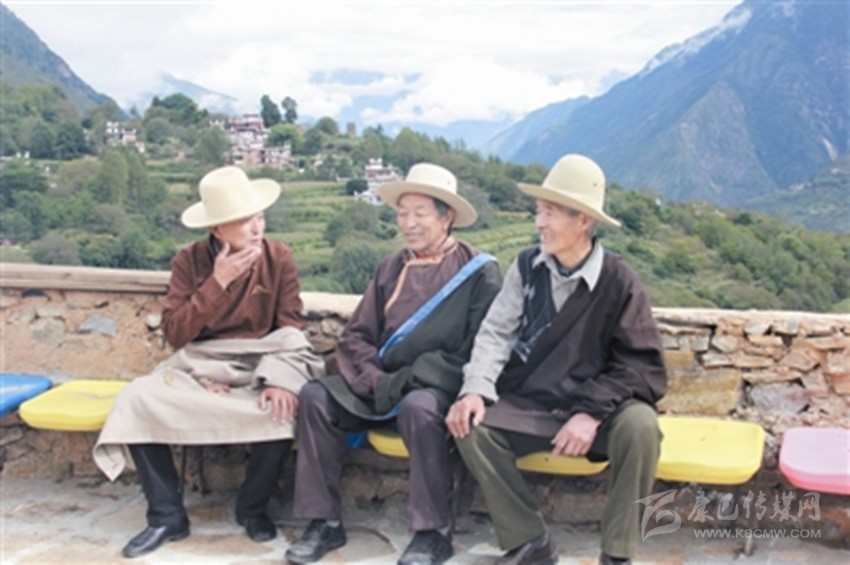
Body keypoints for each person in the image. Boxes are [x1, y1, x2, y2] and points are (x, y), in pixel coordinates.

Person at [446, 154, 667, 565]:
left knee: (641, 427)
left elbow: (639, 366)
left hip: (597, 410)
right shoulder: (527, 267)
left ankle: (617, 552)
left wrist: (590, 412)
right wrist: (475, 389)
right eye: (538, 211)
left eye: (550, 213)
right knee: (469, 426)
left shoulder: (619, 281)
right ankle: (529, 540)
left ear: (583, 220)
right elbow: (496, 333)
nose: (539, 223)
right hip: (535, 403)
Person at [93, 166, 325, 559]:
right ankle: (166, 516)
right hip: (199, 366)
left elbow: (289, 328)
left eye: (260, 217)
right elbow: (176, 333)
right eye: (245, 220)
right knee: (135, 400)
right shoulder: (190, 261)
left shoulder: (278, 257)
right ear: (217, 228)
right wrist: (217, 283)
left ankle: (252, 508)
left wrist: (280, 380)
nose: (257, 227)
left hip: (256, 365)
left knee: (281, 409)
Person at [284, 163, 502, 565]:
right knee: (315, 397)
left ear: (447, 217)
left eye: (420, 213)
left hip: (432, 387)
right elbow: (357, 335)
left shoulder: (479, 274)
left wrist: (411, 380)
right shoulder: (391, 267)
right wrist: (372, 378)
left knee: (420, 408)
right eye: (402, 213)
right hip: (380, 383)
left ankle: (432, 532)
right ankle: (323, 522)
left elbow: (478, 349)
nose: (408, 223)